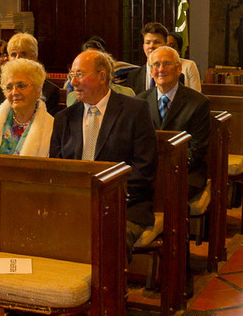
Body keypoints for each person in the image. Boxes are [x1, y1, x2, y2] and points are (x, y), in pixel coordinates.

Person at [50, 49, 158, 256]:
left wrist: (106, 197)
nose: (73, 82)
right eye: (72, 75)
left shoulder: (135, 110)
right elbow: (58, 168)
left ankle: (110, 288)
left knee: (108, 238)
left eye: (80, 75)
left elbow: (144, 168)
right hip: (75, 203)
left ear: (102, 77)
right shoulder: (64, 118)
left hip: (124, 205)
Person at [137, 46, 210, 199]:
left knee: (171, 192)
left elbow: (197, 149)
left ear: (178, 69)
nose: (161, 69)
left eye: (167, 64)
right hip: (148, 172)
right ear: (151, 71)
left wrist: (167, 172)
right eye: (156, 65)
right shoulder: (139, 102)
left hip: (186, 172)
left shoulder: (198, 103)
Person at [0, 58, 53, 156]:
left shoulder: (51, 126)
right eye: (9, 87)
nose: (14, 92)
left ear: (38, 91)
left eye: (21, 85)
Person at [0, 33, 61, 116]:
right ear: (8, 58)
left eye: (23, 54)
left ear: (34, 58)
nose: (18, 58)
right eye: (13, 55)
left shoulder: (50, 91)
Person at [125, 22, 170, 93]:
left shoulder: (173, 74)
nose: (151, 46)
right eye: (148, 42)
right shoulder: (133, 76)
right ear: (143, 46)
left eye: (157, 42)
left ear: (166, 46)